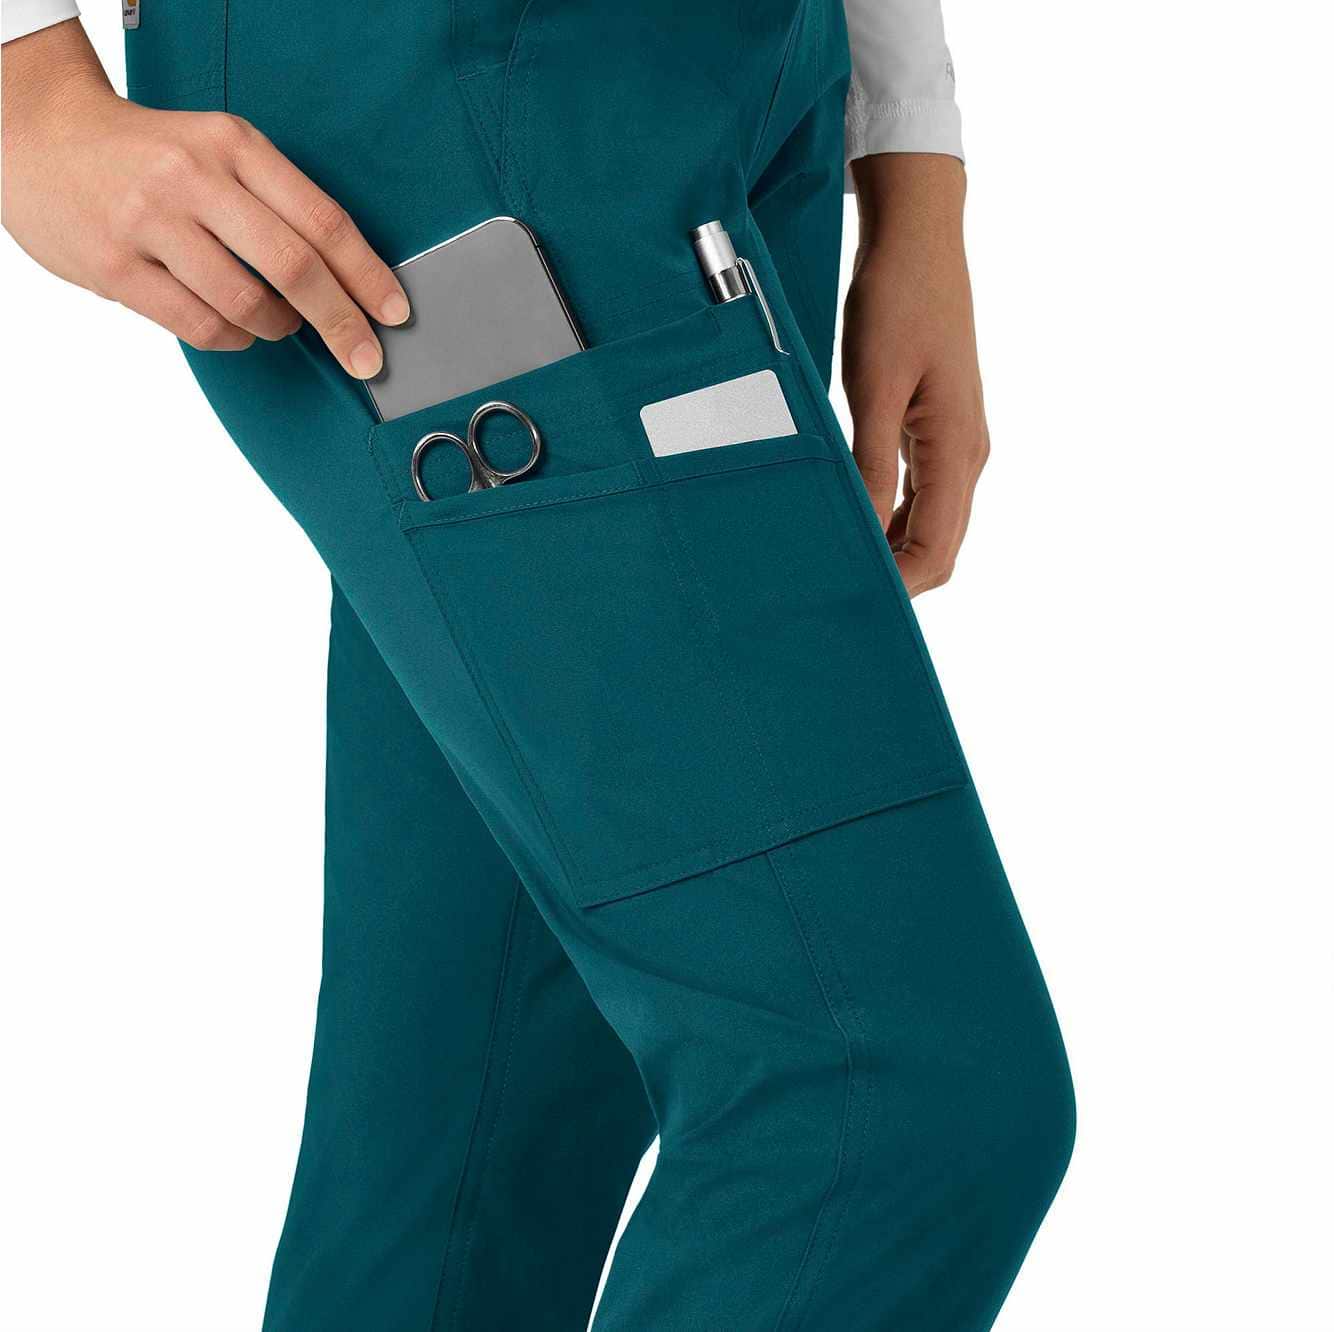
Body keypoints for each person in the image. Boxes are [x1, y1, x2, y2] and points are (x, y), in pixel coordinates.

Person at [2, 2, 1075, 1328]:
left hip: (746, 95)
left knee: (478, 1135)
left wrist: (907, 153)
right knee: (884, 1100)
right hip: (438, 105)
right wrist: (22, 91)